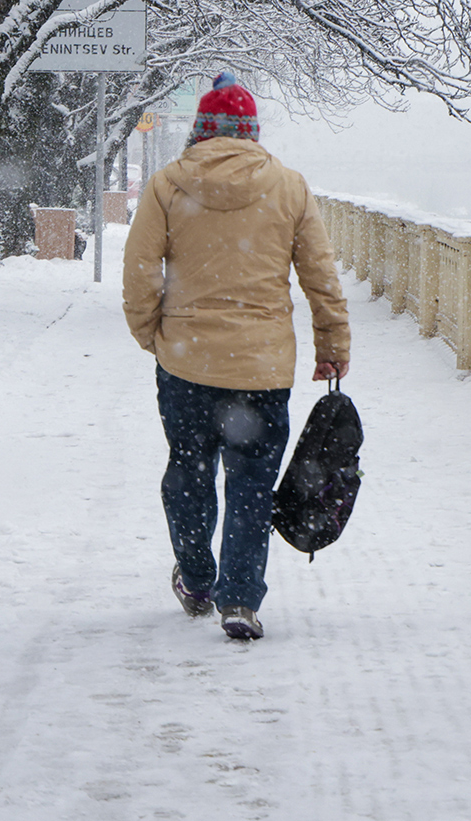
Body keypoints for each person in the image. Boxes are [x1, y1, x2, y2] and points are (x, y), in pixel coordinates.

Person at [121, 73, 349, 641]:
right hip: (262, 369)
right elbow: (321, 277)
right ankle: (241, 599)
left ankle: (198, 579)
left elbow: (139, 271)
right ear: (252, 132)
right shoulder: (289, 187)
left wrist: (153, 335)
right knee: (251, 484)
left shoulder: (168, 186)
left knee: (189, 473)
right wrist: (332, 347)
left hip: (187, 366)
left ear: (200, 130)